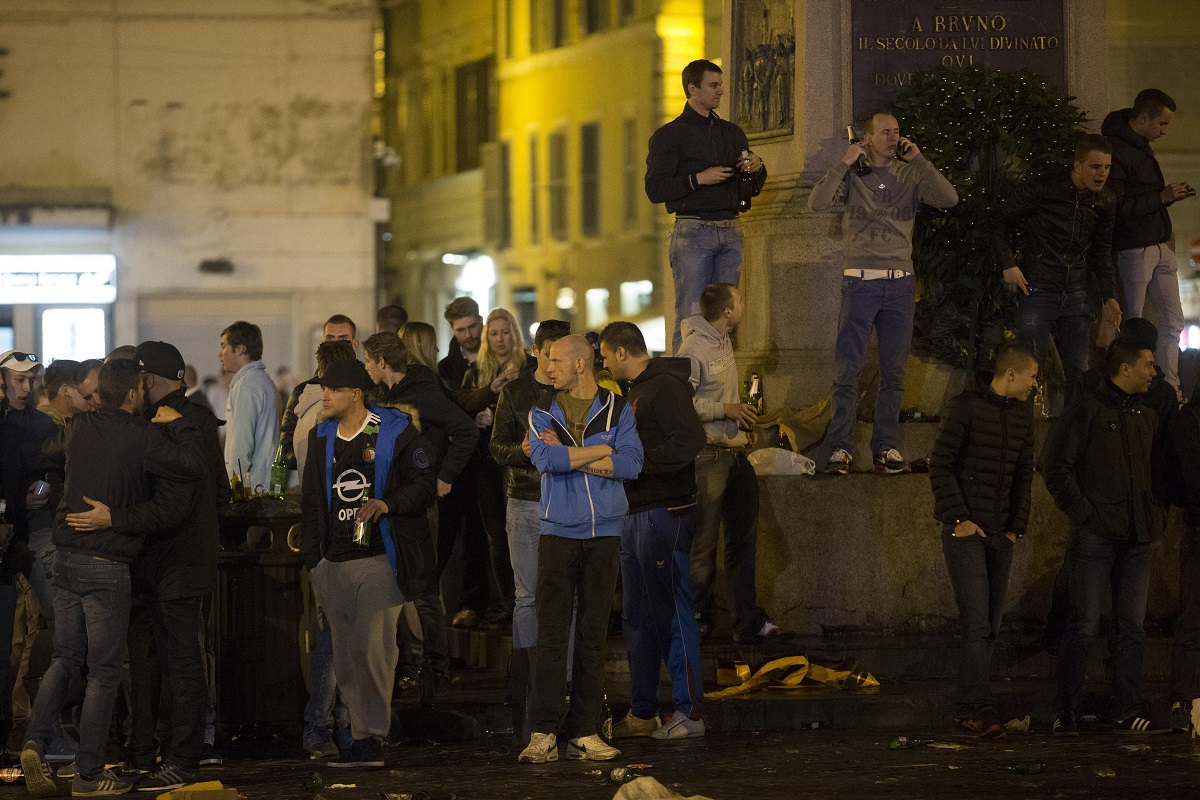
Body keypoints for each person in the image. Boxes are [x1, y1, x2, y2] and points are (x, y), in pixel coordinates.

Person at [20, 358, 206, 797]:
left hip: (66, 558)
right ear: (134, 393)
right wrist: (179, 423)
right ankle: (88, 775)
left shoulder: (80, 427)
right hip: (106, 563)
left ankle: (34, 741)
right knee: (104, 672)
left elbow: (46, 456)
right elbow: (190, 466)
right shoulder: (140, 434)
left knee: (65, 658)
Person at [65, 342, 231, 790]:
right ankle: (144, 753)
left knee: (179, 664)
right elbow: (217, 493)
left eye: (137, 380)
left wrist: (114, 519)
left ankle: (182, 759)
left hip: (174, 564)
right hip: (158, 564)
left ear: (148, 381)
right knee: (151, 662)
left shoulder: (177, 424)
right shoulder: (176, 422)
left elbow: (173, 505)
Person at [299, 359, 436, 769]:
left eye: (332, 390)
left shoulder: (393, 431)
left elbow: (424, 485)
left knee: (372, 650)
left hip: (379, 556)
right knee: (345, 656)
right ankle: (360, 736)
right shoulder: (321, 436)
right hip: (333, 561)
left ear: (356, 394)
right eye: (323, 388)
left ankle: (371, 736)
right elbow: (312, 502)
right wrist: (315, 562)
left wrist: (387, 503)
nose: (324, 396)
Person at [809, 110, 959, 476]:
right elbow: (817, 203)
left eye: (897, 131)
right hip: (860, 282)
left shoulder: (909, 174)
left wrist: (920, 159)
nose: (894, 137)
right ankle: (841, 448)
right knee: (848, 368)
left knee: (894, 372)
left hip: (900, 283)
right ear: (868, 139)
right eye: (886, 132)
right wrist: (844, 163)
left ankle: (886, 449)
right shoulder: (854, 174)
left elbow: (949, 198)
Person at [518, 335, 643, 764]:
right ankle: (544, 731)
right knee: (552, 635)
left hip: (604, 533)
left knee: (592, 636)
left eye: (556, 360)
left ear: (580, 364)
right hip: (558, 533)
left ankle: (585, 731)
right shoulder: (540, 411)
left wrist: (573, 454)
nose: (548, 366)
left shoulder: (618, 408)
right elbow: (546, 461)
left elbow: (632, 464)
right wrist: (604, 450)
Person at [1044, 340, 1166, 735]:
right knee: (1084, 624)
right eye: (1148, 365)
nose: (1154, 373)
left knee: (1132, 627)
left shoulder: (1145, 414)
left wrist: (1155, 515)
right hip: (1097, 537)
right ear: (1125, 368)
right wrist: (1086, 514)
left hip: (1137, 537)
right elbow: (1055, 465)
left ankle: (1126, 707)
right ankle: (1065, 709)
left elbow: (1155, 471)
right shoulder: (1088, 409)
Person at [600, 321, 707, 740]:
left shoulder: (663, 387)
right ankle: (643, 710)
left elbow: (690, 439)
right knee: (639, 615)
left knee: (673, 612)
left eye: (606, 356)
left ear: (622, 352)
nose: (605, 364)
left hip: (664, 512)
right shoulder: (637, 391)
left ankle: (690, 712)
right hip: (636, 513)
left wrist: (639, 465)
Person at [929, 347, 1038, 739]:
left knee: (989, 625)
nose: (1035, 384)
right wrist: (960, 519)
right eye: (1031, 376)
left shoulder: (1022, 416)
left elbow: (1024, 475)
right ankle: (980, 708)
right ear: (1010, 374)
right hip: (966, 532)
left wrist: (1014, 530)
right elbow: (940, 463)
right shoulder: (967, 407)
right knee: (977, 622)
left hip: (1000, 534)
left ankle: (967, 707)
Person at [363, 332, 478, 687]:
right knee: (397, 584)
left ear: (382, 363)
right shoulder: (384, 395)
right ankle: (409, 666)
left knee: (424, 587)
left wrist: (445, 475)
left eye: (369, 360)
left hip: (421, 501)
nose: (366, 367)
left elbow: (467, 430)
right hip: (394, 500)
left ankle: (436, 669)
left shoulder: (423, 394)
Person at [676, 284, 782, 642]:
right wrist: (726, 410)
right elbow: (682, 403)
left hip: (735, 453)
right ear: (726, 312)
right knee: (703, 545)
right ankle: (694, 620)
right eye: (739, 301)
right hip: (708, 457)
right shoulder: (694, 349)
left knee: (744, 540)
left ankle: (747, 623)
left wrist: (741, 424)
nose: (743, 305)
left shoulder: (723, 339)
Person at [645, 58, 766, 354]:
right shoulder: (669, 135)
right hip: (693, 230)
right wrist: (699, 178)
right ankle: (686, 380)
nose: (720, 90)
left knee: (727, 316)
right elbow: (655, 189)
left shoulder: (732, 133)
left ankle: (719, 380)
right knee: (691, 314)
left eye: (721, 84)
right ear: (692, 89)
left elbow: (752, 184)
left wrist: (757, 167)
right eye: (713, 85)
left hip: (731, 227)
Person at [992, 134, 1123, 405]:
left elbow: (1101, 251)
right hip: (1039, 286)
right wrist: (1008, 264)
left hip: (1076, 290)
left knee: (1079, 371)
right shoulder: (1046, 187)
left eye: (1107, 167)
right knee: (1028, 367)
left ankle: (1073, 429)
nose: (1102, 174)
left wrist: (1110, 295)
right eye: (1095, 167)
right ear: (1078, 165)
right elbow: (998, 220)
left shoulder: (1105, 200)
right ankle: (1021, 427)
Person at [489, 318, 570, 738]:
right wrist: (521, 451)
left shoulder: (574, 390)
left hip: (567, 498)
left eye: (563, 355)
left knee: (564, 593)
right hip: (525, 499)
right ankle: (528, 680)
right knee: (527, 596)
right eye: (549, 354)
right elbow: (495, 447)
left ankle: (563, 681)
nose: (555, 364)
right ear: (536, 351)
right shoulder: (516, 392)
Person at [1102, 89, 1193, 399]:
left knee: (1174, 322)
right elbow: (1119, 206)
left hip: (1157, 244)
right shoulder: (1118, 149)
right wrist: (1161, 198)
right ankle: (1127, 389)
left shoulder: (1140, 147)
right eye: (1162, 124)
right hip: (1135, 247)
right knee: (1133, 323)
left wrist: (1166, 198)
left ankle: (1169, 390)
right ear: (1143, 118)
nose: (1164, 131)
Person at [0, 350, 62, 760]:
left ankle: (39, 731)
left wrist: (44, 490)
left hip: (35, 531)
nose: (26, 387)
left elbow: (56, 470)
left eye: (30, 380)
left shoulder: (42, 423)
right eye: (18, 380)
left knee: (57, 624)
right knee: (8, 642)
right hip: (11, 536)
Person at [280, 316, 365, 473]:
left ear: (355, 345)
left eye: (343, 339)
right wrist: (309, 456)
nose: (336, 344)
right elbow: (286, 449)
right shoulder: (302, 392)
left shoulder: (369, 387)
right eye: (330, 339)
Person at [1168, 388, 1200, 734]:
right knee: (1193, 617)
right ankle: (1184, 699)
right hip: (1198, 527)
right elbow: (1190, 481)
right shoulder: (1189, 420)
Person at [220, 321, 281, 494]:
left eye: (224, 346)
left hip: (252, 490)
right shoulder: (263, 381)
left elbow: (241, 445)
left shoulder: (247, 385)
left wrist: (235, 491)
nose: (220, 353)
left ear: (240, 349)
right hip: (264, 485)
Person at [438, 297, 484, 389]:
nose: (468, 335)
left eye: (472, 327)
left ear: (480, 321)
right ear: (452, 329)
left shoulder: (501, 355)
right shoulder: (445, 368)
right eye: (461, 330)